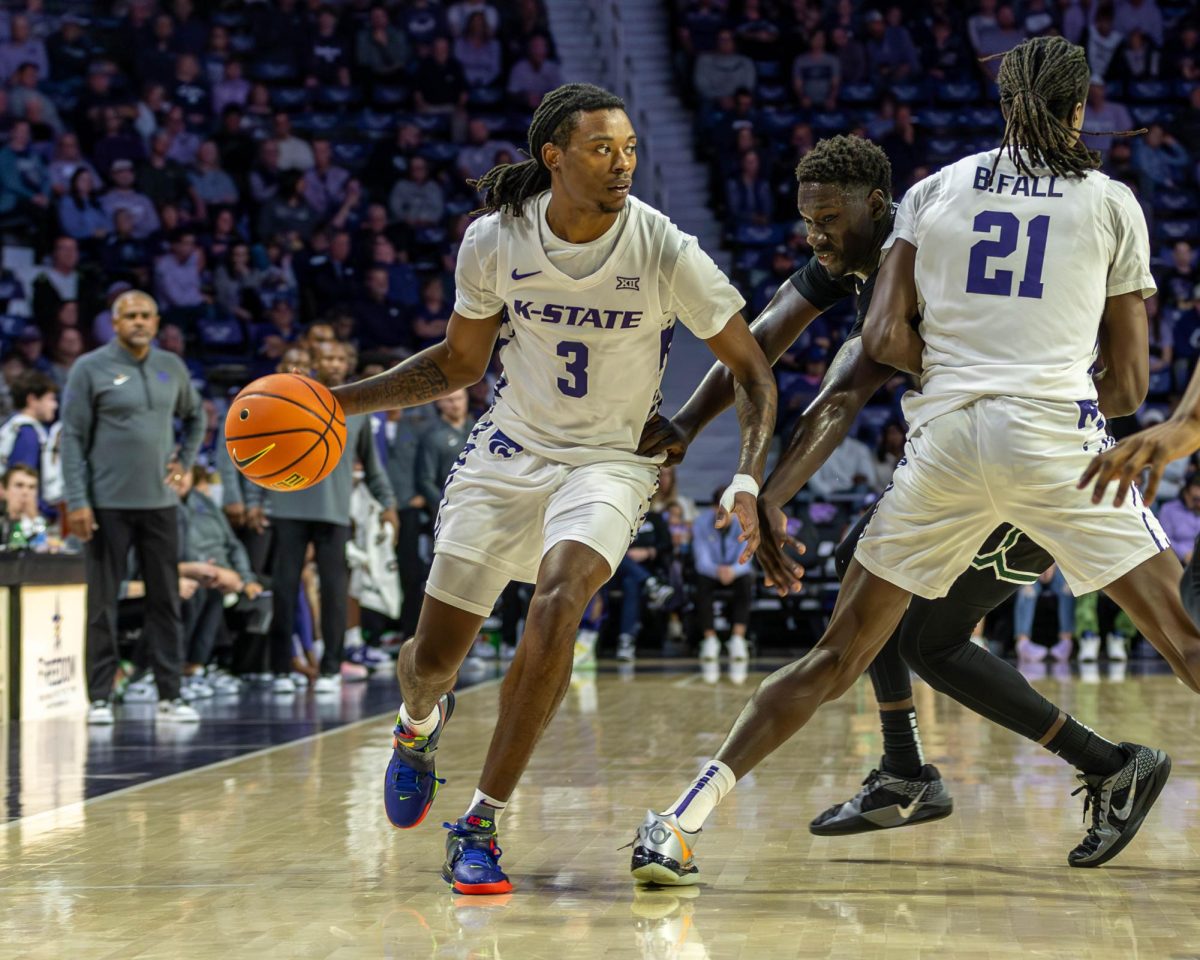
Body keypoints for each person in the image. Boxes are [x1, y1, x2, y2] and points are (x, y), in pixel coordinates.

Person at [630, 48, 1191, 880]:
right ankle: (926, 769)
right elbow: (1130, 388)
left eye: (827, 223)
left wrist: (956, 379)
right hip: (1047, 441)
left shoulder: (933, 196)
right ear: (1080, 110)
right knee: (1174, 636)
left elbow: (869, 358)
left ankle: (695, 820)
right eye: (809, 223)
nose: (816, 239)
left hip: (951, 450)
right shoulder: (1108, 202)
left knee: (882, 642)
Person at [324, 83, 775, 895]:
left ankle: (483, 822)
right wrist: (338, 403)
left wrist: (742, 472)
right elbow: (458, 365)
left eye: (631, 148)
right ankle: (419, 723)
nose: (623, 163)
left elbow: (750, 368)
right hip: (508, 450)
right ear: (554, 157)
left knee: (560, 599)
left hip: (609, 460)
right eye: (603, 149)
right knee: (430, 663)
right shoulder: (495, 240)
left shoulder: (663, 247)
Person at [61, 289, 205, 726]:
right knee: (102, 602)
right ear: (114, 321)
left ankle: (170, 695)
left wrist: (186, 460)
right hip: (106, 505)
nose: (139, 322)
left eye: (146, 315)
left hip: (160, 504)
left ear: (157, 322)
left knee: (165, 600)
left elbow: (197, 416)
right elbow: (71, 437)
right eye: (130, 316)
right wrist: (77, 500)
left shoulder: (170, 367)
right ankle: (100, 696)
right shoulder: (90, 368)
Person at [245, 341, 397, 694]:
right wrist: (255, 499)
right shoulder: (291, 399)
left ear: (349, 363)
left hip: (334, 513)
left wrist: (387, 503)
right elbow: (259, 451)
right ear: (315, 362)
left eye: (341, 357)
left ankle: (331, 668)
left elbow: (372, 466)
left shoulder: (360, 408)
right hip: (287, 509)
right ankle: (282, 668)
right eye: (327, 357)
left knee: (334, 592)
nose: (334, 362)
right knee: (283, 590)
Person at [693, 491, 754, 663]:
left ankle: (738, 638)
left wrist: (733, 571)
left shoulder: (745, 524)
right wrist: (717, 571)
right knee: (701, 582)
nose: (727, 514)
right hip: (711, 571)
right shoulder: (701, 523)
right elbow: (701, 560)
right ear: (713, 508)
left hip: (736, 571)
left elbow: (747, 558)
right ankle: (710, 639)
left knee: (746, 581)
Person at [0, 371, 59, 503]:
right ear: (32, 400)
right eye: (50, 399)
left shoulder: (14, 426)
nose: (55, 405)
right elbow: (23, 487)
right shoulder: (28, 434)